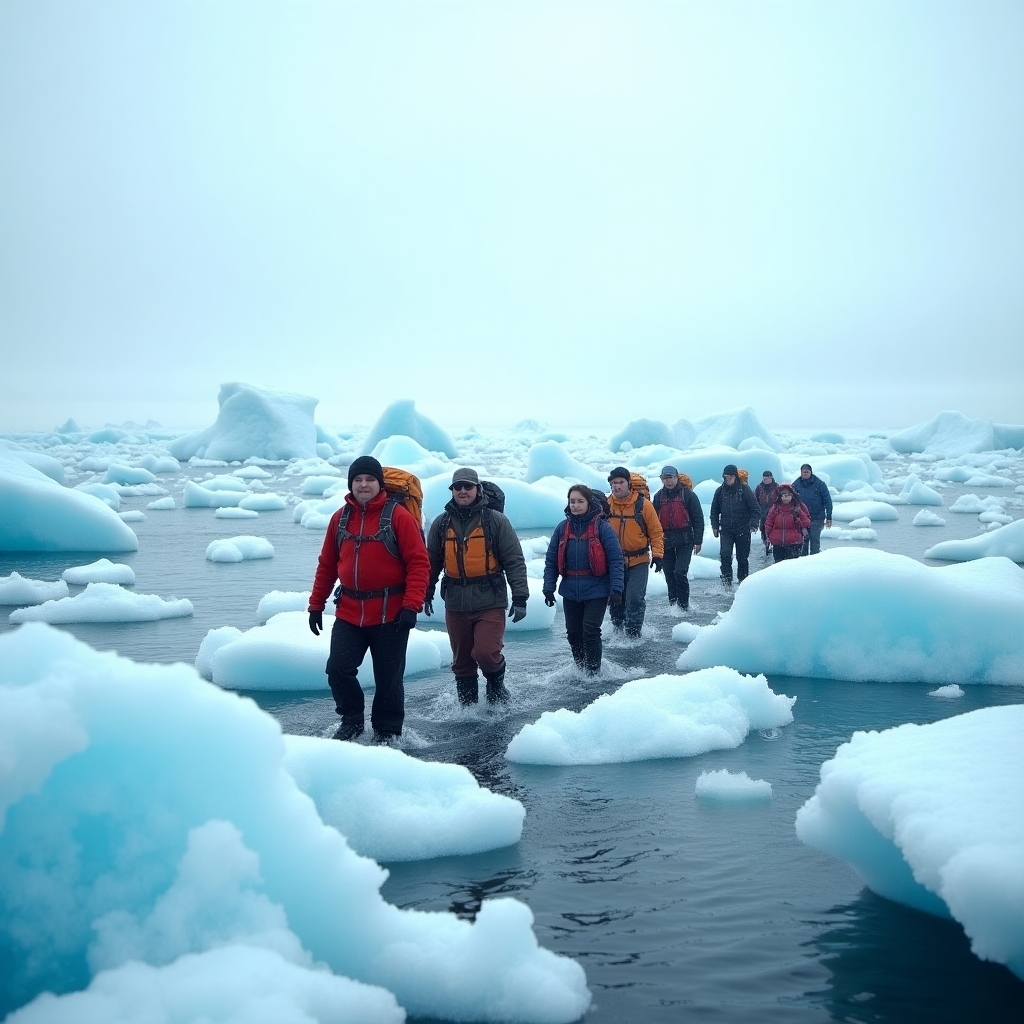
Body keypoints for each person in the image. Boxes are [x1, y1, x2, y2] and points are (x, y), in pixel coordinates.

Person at [308, 455, 430, 743]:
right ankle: (351, 720)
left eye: (369, 479)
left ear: (379, 483)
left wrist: (412, 606)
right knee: (338, 669)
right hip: (350, 611)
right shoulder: (340, 518)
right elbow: (327, 564)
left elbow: (418, 563)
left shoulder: (398, 516)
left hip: (391, 613)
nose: (364, 485)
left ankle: (387, 732)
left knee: (388, 678)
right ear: (351, 483)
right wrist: (316, 604)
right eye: (358, 480)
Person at [425, 468, 529, 705]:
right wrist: (426, 591)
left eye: (468, 487)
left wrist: (520, 597)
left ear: (477, 489)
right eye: (458, 487)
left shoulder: (495, 521)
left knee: (486, 654)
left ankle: (496, 691)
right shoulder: (442, 524)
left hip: (489, 600)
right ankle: (468, 711)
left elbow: (514, 559)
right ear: (452, 491)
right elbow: (431, 562)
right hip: (455, 601)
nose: (463, 491)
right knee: (462, 662)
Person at [543, 485, 625, 673]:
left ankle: (593, 672)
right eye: (572, 501)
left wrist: (616, 590)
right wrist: (549, 587)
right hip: (570, 589)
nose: (576, 505)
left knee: (590, 630)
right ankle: (581, 669)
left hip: (597, 589)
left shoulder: (602, 528)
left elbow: (615, 560)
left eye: (580, 501)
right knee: (573, 633)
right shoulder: (563, 528)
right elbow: (551, 559)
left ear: (589, 503)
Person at [604, 467, 664, 638]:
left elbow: (656, 532)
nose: (617, 486)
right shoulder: (607, 505)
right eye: (614, 483)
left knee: (635, 598)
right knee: (616, 598)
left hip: (639, 560)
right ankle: (618, 630)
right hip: (615, 562)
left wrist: (658, 554)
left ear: (629, 484)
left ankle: (633, 635)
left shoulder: (643, 505)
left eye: (621, 482)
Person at [651, 466, 704, 611]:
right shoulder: (658, 497)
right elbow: (652, 522)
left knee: (680, 572)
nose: (668, 481)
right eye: (665, 478)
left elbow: (698, 518)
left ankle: (684, 606)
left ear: (677, 478)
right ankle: (673, 605)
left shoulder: (688, 495)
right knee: (669, 573)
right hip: (665, 540)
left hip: (685, 539)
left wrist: (698, 540)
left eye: (670, 477)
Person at [709, 464, 760, 584]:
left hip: (743, 529)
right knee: (725, 555)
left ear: (735, 476)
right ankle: (727, 584)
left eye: (731, 476)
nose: (729, 479)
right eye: (726, 476)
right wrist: (715, 526)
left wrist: (753, 524)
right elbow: (714, 510)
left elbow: (755, 508)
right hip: (726, 530)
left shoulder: (744, 490)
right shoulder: (720, 491)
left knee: (742, 558)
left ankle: (743, 582)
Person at [791, 463, 833, 555]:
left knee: (815, 543)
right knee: (803, 544)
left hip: (817, 518)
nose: (805, 474)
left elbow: (827, 501)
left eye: (807, 472)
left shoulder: (820, 484)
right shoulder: (795, 485)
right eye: (803, 472)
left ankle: (815, 564)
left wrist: (829, 516)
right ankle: (803, 564)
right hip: (801, 519)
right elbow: (791, 501)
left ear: (811, 472)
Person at [764, 484, 811, 562]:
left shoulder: (798, 507)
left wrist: (799, 517)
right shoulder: (775, 508)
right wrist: (768, 537)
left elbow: (807, 522)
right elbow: (769, 523)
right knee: (778, 566)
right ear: (780, 497)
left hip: (794, 543)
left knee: (791, 567)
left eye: (788, 495)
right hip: (778, 543)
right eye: (783, 496)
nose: (785, 498)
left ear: (792, 496)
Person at [754, 470, 779, 555]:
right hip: (763, 513)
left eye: (768, 477)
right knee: (763, 529)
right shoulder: (759, 488)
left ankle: (773, 544)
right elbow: (755, 500)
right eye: (764, 478)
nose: (766, 479)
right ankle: (766, 544)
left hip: (774, 513)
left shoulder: (777, 487)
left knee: (774, 529)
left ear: (771, 477)